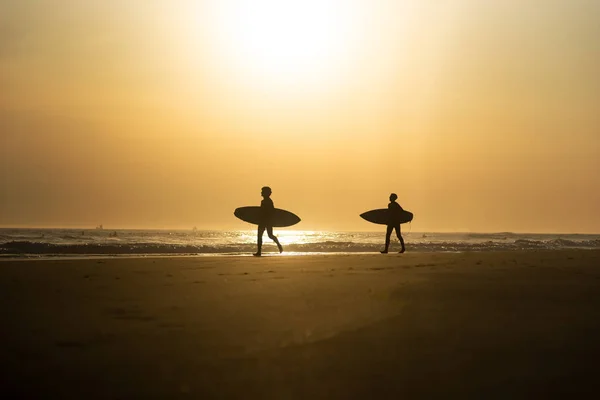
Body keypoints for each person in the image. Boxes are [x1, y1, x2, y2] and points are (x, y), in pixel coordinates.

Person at [254, 186, 283, 256]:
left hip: (265, 221)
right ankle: (259, 252)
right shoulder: (265, 201)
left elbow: (270, 212)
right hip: (266, 221)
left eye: (262, 191)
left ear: (266, 193)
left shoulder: (268, 201)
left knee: (267, 235)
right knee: (265, 235)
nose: (261, 192)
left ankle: (278, 245)